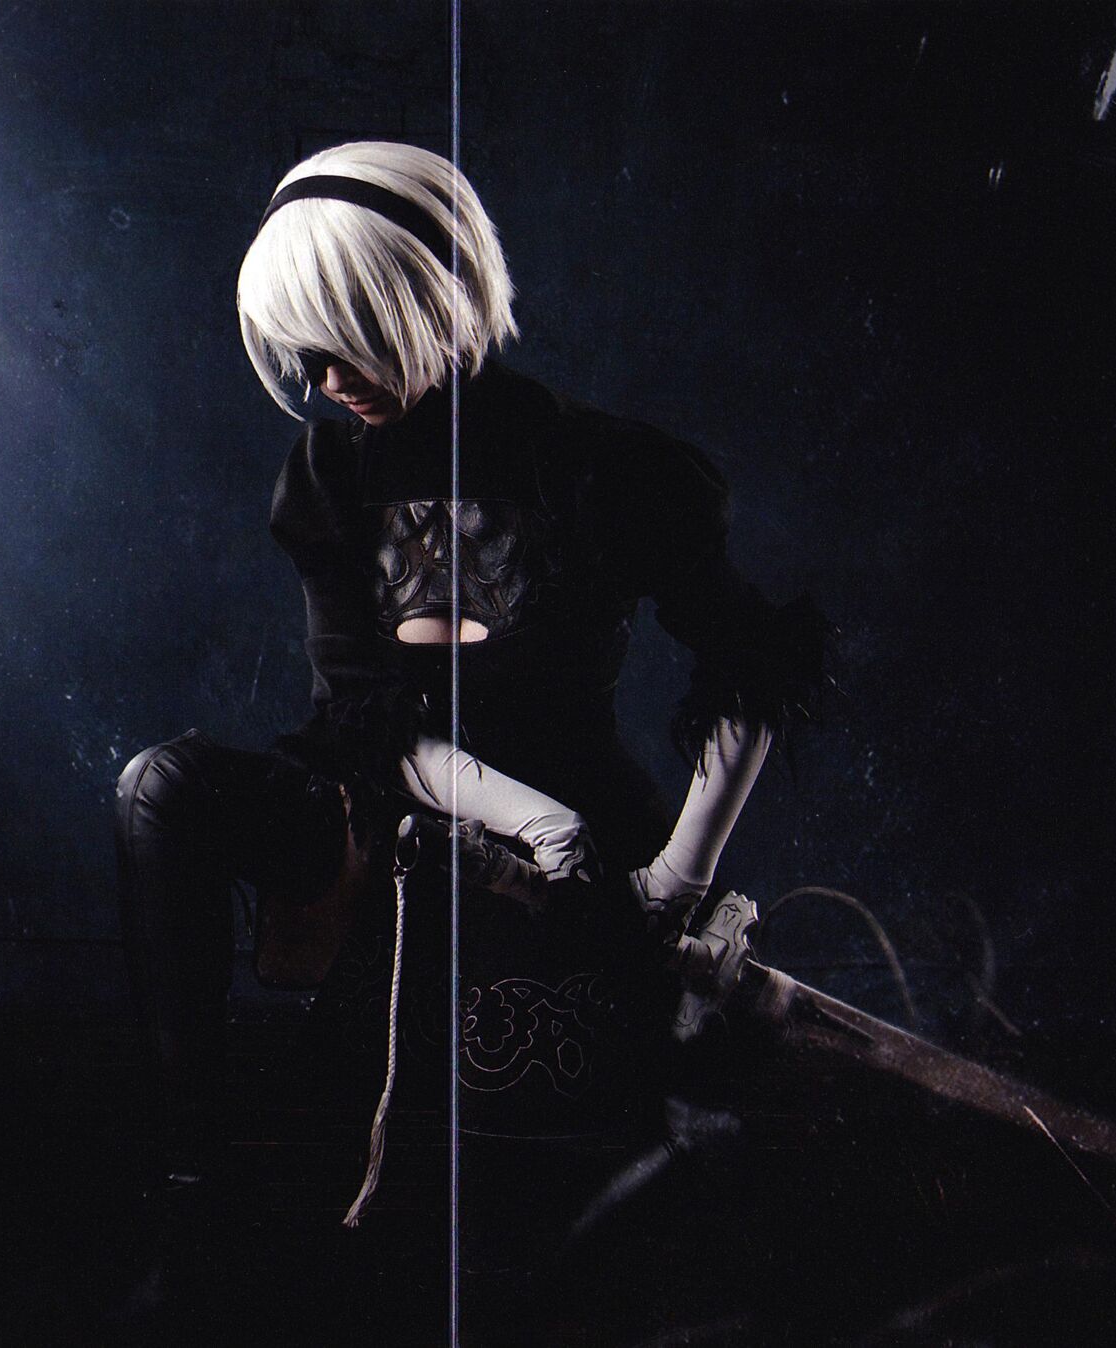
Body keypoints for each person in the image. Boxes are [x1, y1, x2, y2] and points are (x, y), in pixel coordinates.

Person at [113, 140, 822, 1201]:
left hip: (586, 844)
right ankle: (190, 1171)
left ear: (417, 297)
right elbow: (366, 717)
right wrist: (531, 818)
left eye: (346, 343)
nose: (327, 383)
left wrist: (677, 879)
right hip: (397, 813)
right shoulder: (330, 474)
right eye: (307, 355)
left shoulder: (596, 466)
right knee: (159, 787)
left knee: (566, 1133)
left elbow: (753, 664)